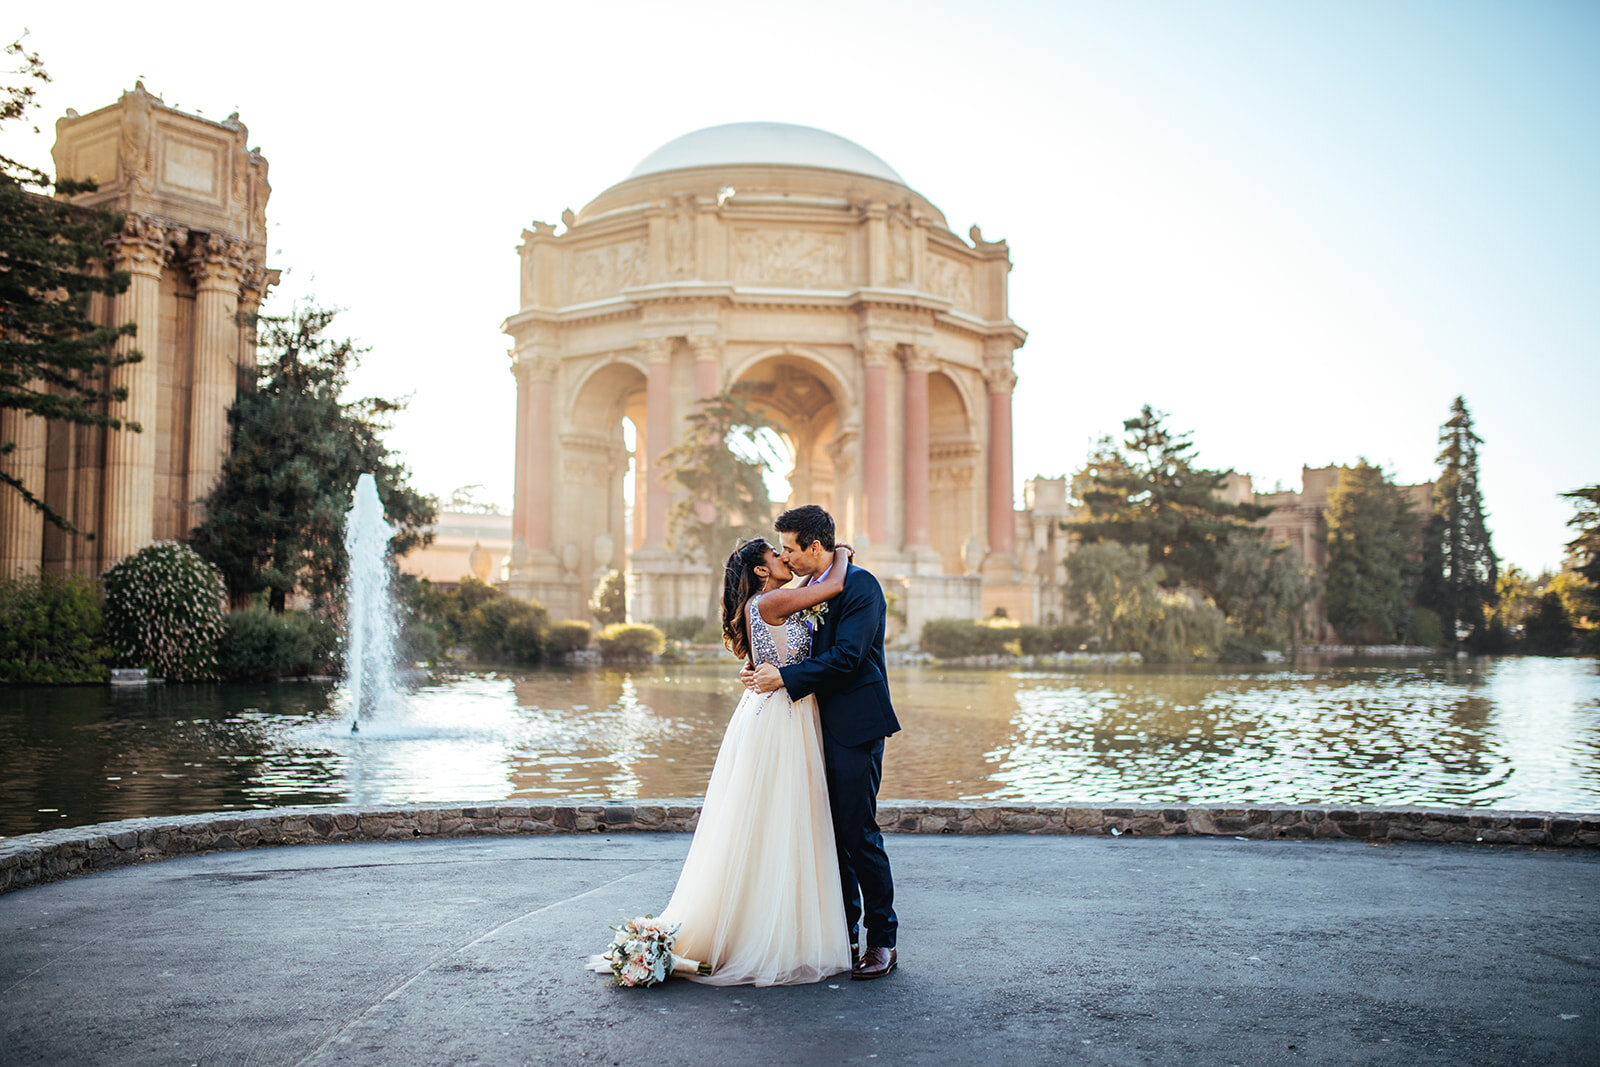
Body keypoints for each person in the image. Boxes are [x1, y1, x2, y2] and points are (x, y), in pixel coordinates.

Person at [639, 536, 855, 986]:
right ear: (761, 571)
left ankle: (772, 927)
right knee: (780, 820)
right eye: (777, 555)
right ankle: (770, 935)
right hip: (781, 717)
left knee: (772, 822)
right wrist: (842, 557)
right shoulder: (771, 600)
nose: (785, 558)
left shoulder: (765, 602)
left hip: (783, 710)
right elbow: (832, 586)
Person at [742, 504, 901, 980]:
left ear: (815, 546)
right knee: (826, 837)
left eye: (791, 548)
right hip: (806, 725)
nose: (786, 558)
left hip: (854, 724)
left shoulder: (861, 586)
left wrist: (783, 678)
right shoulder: (807, 588)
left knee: (858, 834)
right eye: (781, 551)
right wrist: (760, 669)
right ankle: (842, 933)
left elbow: (848, 657)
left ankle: (882, 942)